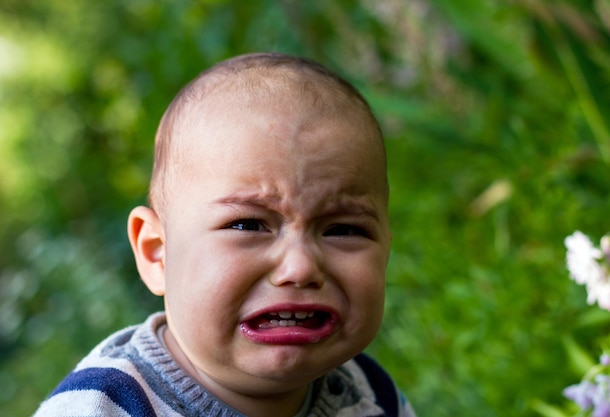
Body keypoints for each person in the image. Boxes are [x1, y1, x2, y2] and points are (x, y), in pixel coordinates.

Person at [33, 52, 416, 417]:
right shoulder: (103, 407)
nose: (299, 267)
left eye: (343, 229)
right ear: (157, 252)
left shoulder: (371, 394)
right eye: (248, 225)